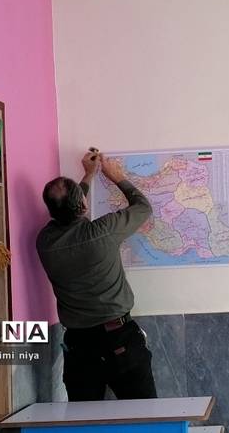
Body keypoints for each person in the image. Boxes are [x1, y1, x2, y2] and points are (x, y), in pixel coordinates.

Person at [36, 151, 157, 401]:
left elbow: (68, 213)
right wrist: (116, 176)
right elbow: (143, 208)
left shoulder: (45, 242)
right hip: (119, 341)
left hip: (78, 349)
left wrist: (88, 176)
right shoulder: (103, 231)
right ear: (83, 205)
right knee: (144, 416)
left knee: (85, 419)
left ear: (51, 212)